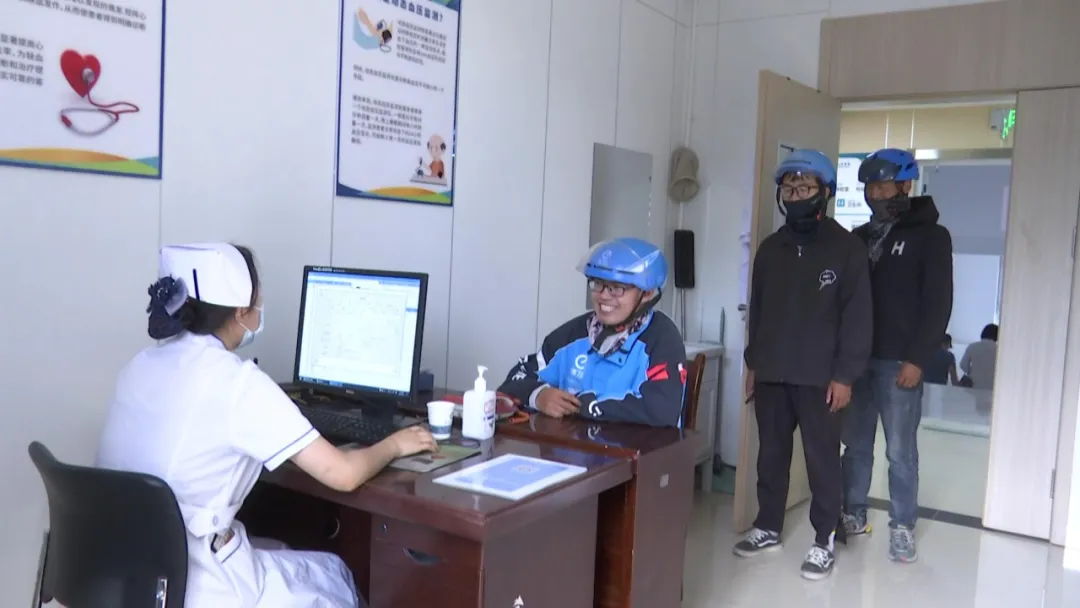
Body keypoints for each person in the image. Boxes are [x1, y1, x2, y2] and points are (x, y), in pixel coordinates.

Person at [96, 243, 438, 608]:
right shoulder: (238, 382)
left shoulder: (140, 365)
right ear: (241, 309)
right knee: (335, 574)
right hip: (199, 584)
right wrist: (395, 444)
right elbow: (343, 474)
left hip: (125, 577)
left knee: (288, 552)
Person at [733, 149, 872, 581]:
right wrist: (753, 364)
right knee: (770, 456)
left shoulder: (846, 248)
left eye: (805, 187)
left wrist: (845, 375)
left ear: (824, 192)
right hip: (772, 372)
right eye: (789, 189)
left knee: (822, 461)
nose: (796, 196)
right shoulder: (771, 249)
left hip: (821, 377)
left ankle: (824, 538)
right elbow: (758, 311)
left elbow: (858, 318)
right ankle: (768, 526)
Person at [841, 148, 954, 564]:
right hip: (856, 360)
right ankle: (853, 513)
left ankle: (903, 525)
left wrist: (917, 359)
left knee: (900, 451)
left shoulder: (931, 237)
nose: (875, 193)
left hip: (899, 362)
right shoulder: (858, 238)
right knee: (855, 446)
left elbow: (938, 302)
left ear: (906, 185)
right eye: (870, 186)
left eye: (883, 186)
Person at [498, 237, 687, 427]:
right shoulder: (573, 334)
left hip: (641, 446)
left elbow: (662, 410)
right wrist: (539, 395)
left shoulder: (662, 338)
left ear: (647, 293)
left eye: (617, 288)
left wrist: (583, 406)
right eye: (597, 283)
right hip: (571, 443)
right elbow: (514, 381)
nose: (603, 295)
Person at [960, 323, 998, 390]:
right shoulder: (999, 349)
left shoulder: (972, 346)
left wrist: (971, 371)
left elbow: (963, 365)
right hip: (992, 386)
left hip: (973, 384)